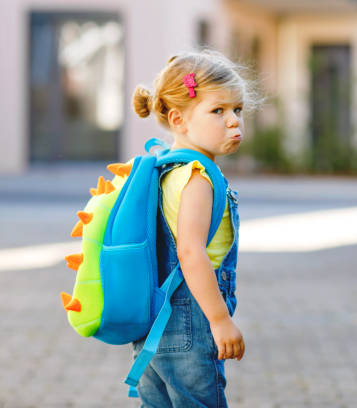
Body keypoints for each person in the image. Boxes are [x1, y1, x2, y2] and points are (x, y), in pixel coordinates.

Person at [131, 49, 259, 407]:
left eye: (237, 110)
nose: (233, 121)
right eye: (217, 111)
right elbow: (190, 252)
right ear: (178, 120)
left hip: (153, 326)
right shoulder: (197, 178)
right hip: (189, 323)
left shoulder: (164, 169)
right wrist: (219, 321)